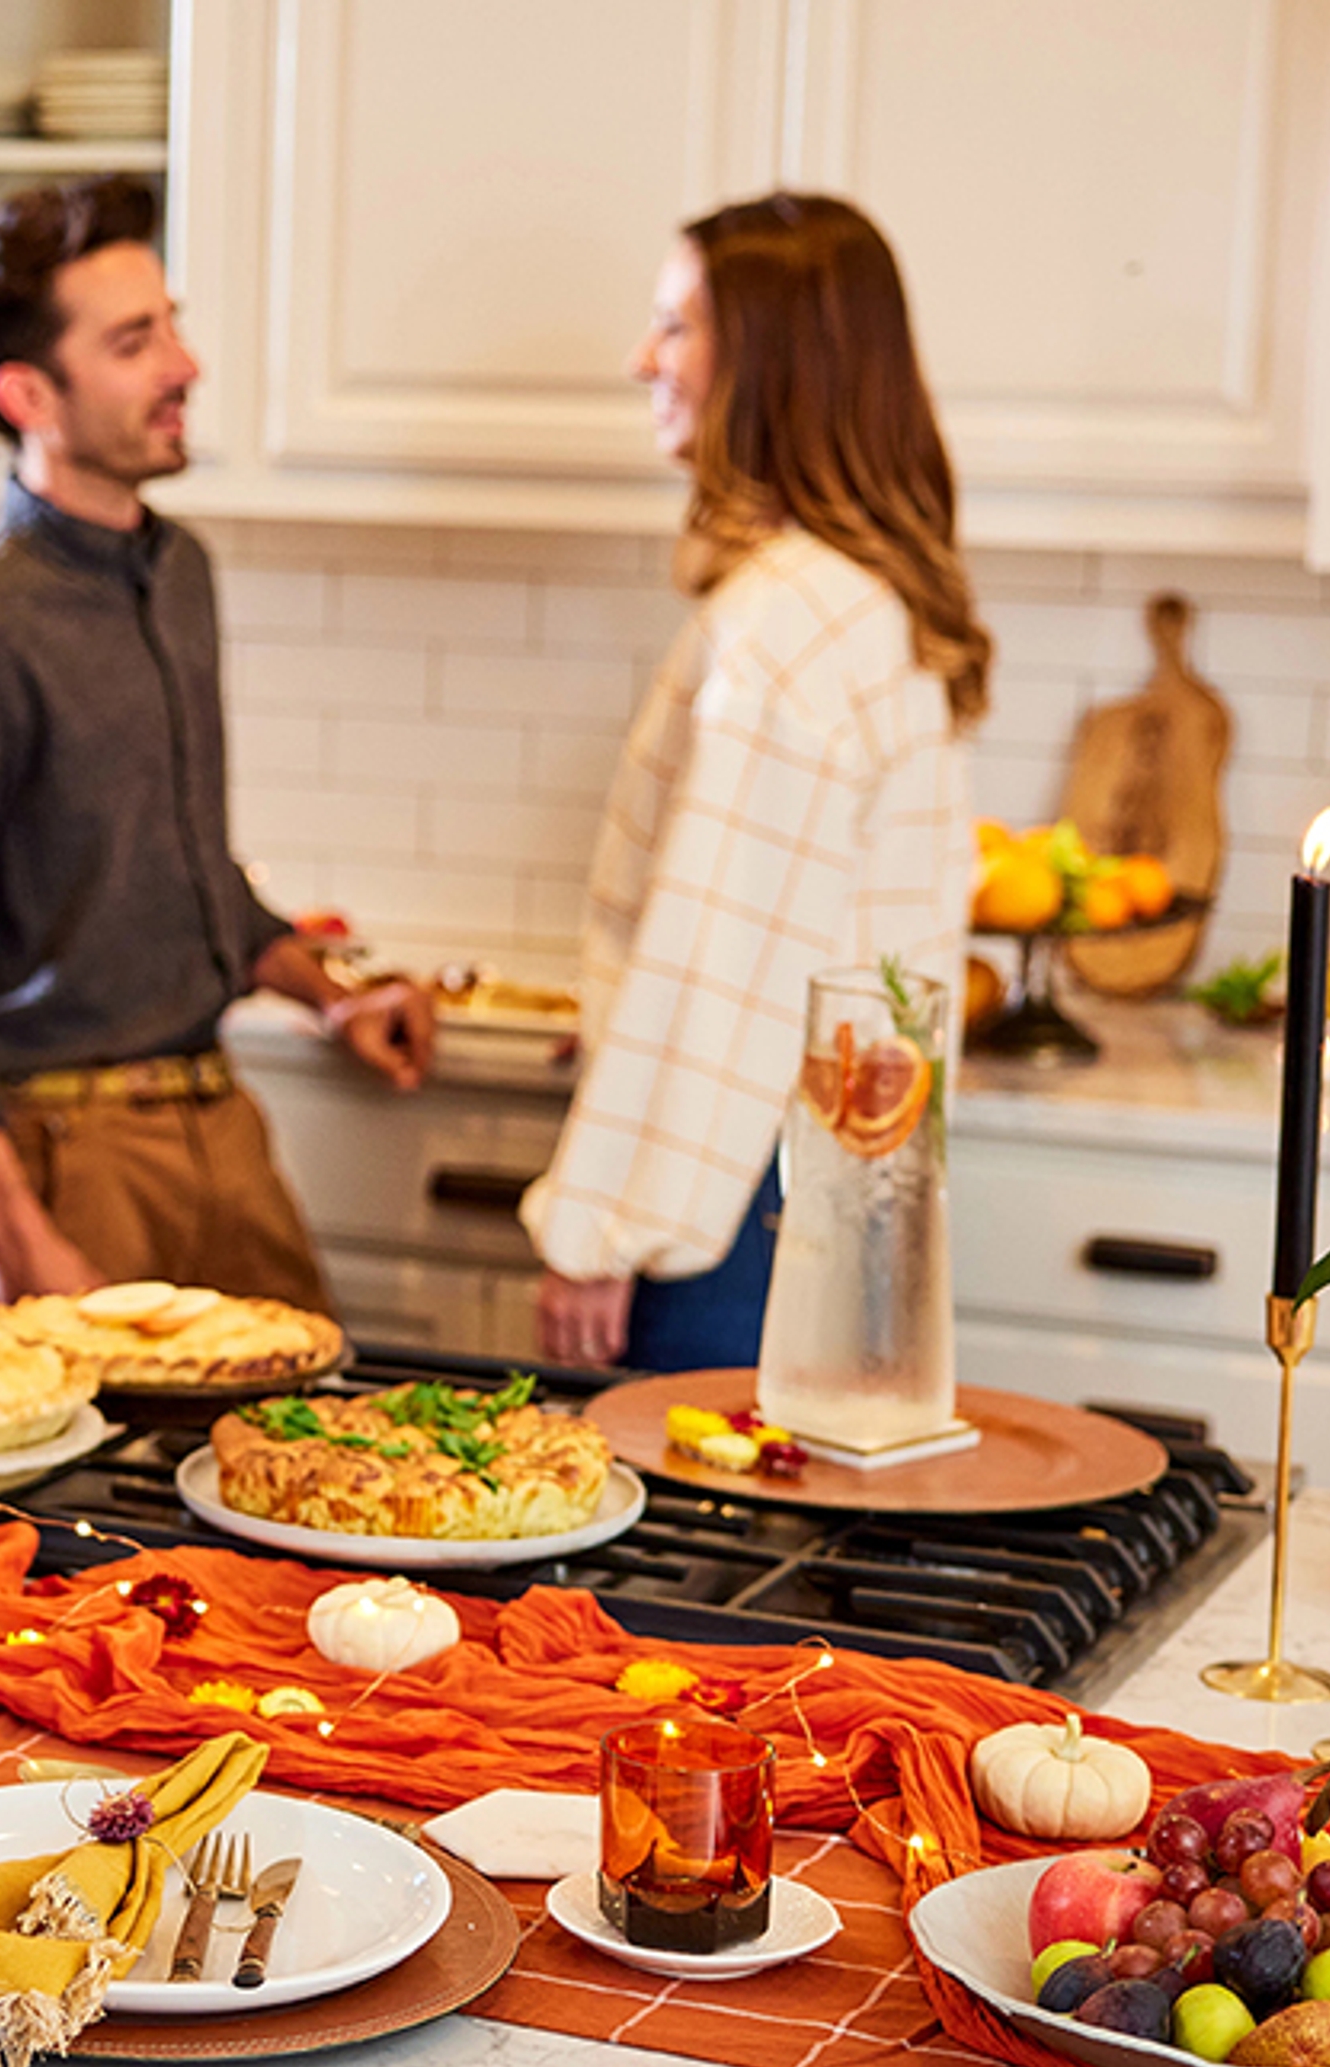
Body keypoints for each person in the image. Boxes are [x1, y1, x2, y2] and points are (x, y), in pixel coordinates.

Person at [0, 177, 436, 1310]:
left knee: (309, 1457)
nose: (185, 366)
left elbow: (177, 868)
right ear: (30, 394)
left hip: (217, 1126)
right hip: (60, 1157)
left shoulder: (180, 576)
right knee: (81, 1495)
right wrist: (20, 1235)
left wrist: (330, 996)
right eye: (135, 342)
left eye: (171, 324)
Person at [521, 194, 986, 1373]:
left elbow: (716, 963)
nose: (643, 360)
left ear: (770, 365)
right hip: (843, 1190)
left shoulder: (781, 628)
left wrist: (599, 1230)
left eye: (676, 327)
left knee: (686, 1556)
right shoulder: (854, 601)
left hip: (730, 1222)